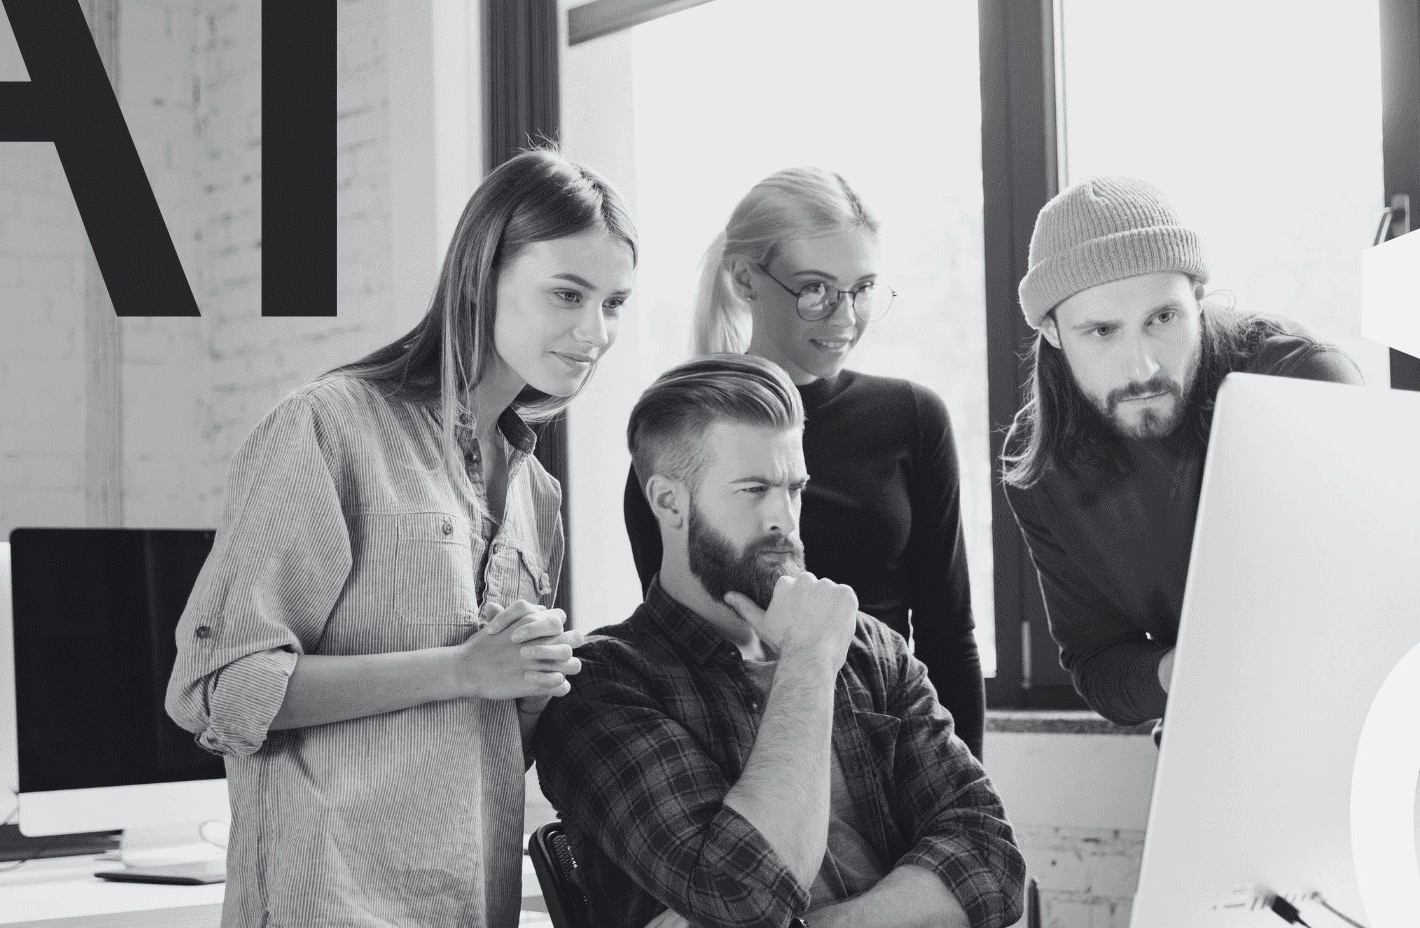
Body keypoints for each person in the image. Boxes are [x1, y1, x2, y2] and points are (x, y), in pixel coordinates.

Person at [165, 150, 636, 927]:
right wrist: (462, 669)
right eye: (566, 294)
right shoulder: (328, 428)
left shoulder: (535, 493)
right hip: (329, 903)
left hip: (470, 900)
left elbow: (480, 744)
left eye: (615, 302)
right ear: (482, 277)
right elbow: (216, 689)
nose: (595, 331)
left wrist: (526, 687)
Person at [535, 354, 1024, 928]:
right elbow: (743, 897)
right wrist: (809, 665)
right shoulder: (602, 687)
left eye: (793, 488)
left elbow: (991, 864)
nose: (785, 519)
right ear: (669, 501)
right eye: (753, 489)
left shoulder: (872, 650)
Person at [622, 167, 987, 756]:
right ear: (745, 279)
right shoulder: (678, 449)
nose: (844, 318)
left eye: (862, 289)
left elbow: (950, 638)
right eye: (815, 289)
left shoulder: (914, 418)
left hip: (900, 752)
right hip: (755, 758)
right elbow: (686, 653)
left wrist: (963, 787)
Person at [1001, 176, 1363, 726]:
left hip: (1355, 708)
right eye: (1102, 331)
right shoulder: (1042, 462)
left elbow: (1370, 602)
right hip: (1209, 727)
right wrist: (1184, 669)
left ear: (1195, 297)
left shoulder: (1301, 378)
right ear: (1052, 331)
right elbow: (1096, 662)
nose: (1142, 368)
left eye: (1162, 319)